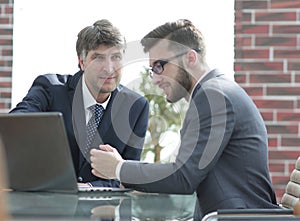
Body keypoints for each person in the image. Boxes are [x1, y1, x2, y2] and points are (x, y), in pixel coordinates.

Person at [89, 19, 280, 218]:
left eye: (160, 66)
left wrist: (118, 169)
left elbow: (183, 177)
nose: (154, 79)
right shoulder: (214, 92)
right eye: (152, 69)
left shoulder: (213, 96)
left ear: (190, 58)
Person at [9, 19, 149, 188]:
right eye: (98, 58)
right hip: (46, 206)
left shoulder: (136, 107)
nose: (109, 68)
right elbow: (16, 122)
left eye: (116, 57)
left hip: (102, 209)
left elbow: (129, 176)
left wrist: (90, 188)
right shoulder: (50, 88)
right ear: (82, 62)